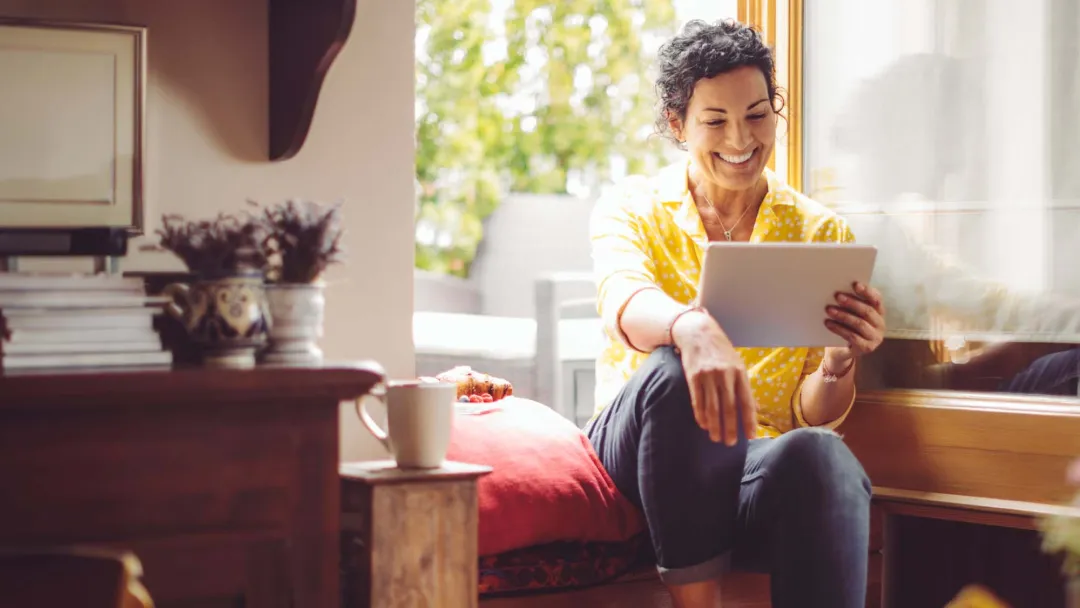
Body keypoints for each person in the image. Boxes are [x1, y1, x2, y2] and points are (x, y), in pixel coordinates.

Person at [585, 20, 886, 608]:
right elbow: (622, 300)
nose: (741, 138)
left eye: (756, 114)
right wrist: (690, 327)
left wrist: (838, 361)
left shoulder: (820, 234)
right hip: (634, 458)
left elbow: (809, 412)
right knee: (676, 366)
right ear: (678, 125)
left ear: (775, 109)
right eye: (715, 121)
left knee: (822, 453)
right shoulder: (632, 207)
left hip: (749, 465)